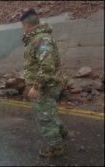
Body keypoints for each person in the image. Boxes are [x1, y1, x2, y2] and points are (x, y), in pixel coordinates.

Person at [20, 8, 67, 157]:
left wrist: (36, 86)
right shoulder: (38, 39)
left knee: (44, 117)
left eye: (22, 26)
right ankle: (60, 131)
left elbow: (47, 66)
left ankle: (55, 148)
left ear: (27, 25)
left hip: (45, 86)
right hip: (47, 84)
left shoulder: (41, 40)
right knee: (49, 112)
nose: (23, 29)